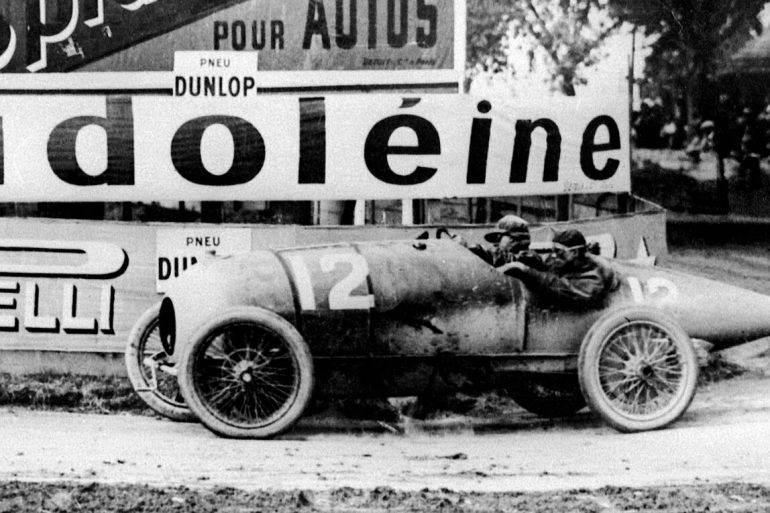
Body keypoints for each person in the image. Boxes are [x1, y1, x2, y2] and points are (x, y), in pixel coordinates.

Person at [499, 229, 617, 310]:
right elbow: (548, 265)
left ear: (575, 252)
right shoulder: (568, 260)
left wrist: (527, 272)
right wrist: (528, 258)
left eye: (559, 252)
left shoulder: (596, 277)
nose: (554, 255)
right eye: (554, 250)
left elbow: (563, 287)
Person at [463, 214, 544, 270]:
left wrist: (468, 247)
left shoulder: (531, 258)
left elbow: (508, 258)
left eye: (499, 238)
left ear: (514, 239)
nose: (495, 244)